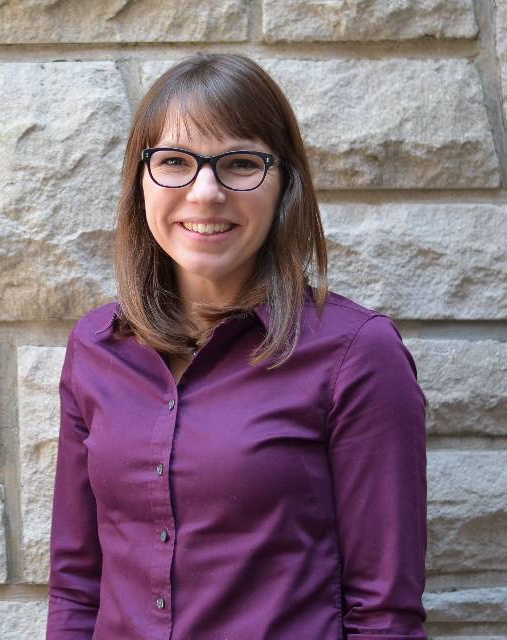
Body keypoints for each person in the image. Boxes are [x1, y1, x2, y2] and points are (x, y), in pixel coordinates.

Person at [45, 53, 428, 639]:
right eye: (174, 162)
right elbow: (76, 588)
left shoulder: (356, 354)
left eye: (242, 164)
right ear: (141, 180)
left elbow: (384, 614)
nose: (206, 193)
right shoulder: (96, 348)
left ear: (285, 184)